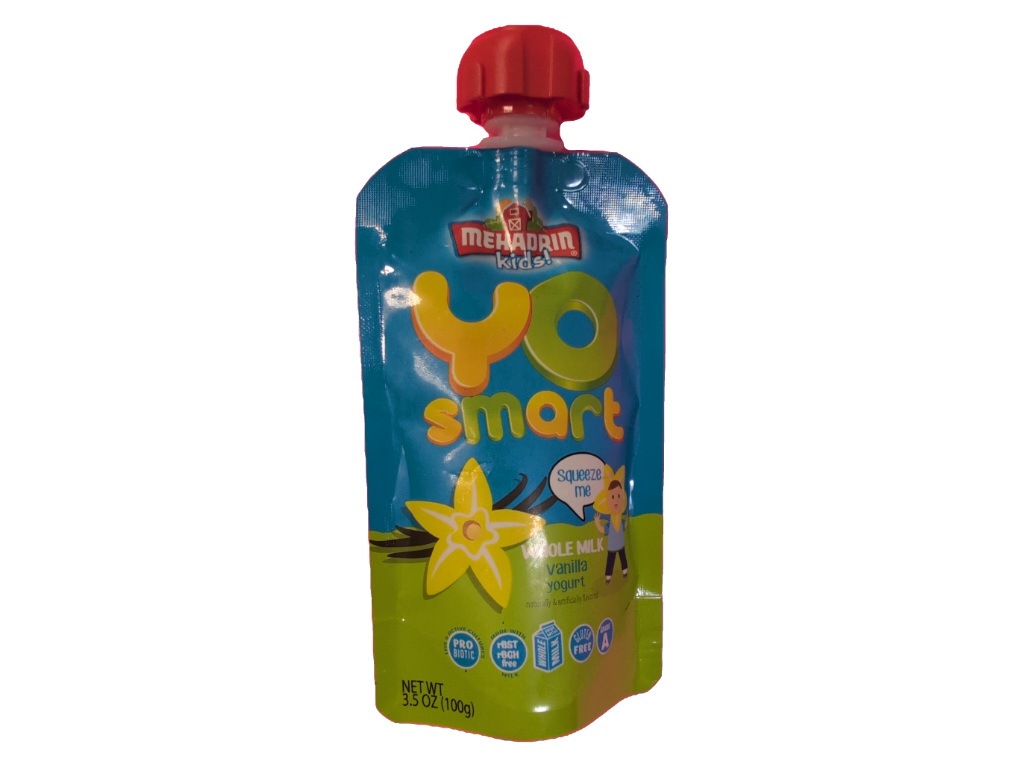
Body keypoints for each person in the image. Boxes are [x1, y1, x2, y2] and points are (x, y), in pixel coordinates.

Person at [594, 466, 628, 583]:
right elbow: (604, 530)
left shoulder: (620, 519)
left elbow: (625, 526)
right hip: (612, 546)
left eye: (618, 496)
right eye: (612, 497)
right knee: (611, 560)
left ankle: (625, 571)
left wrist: (627, 518)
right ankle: (608, 577)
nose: (616, 500)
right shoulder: (611, 522)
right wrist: (597, 523)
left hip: (621, 543)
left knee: (623, 557)